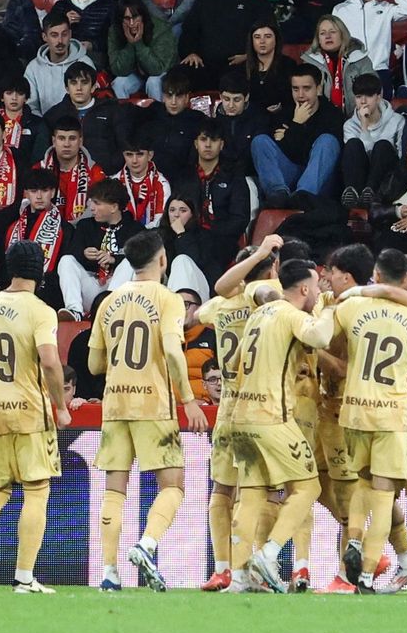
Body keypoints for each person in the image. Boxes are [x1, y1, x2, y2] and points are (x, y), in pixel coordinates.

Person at [88, 231, 207, 591]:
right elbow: (173, 351)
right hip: (153, 402)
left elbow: (94, 364)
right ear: (162, 260)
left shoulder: (109, 301)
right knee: (172, 484)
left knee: (115, 487)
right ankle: (147, 543)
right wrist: (188, 400)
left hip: (115, 403)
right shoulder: (168, 298)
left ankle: (109, 570)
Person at [0, 242, 72, 594]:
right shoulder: (41, 310)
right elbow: (50, 361)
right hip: (29, 410)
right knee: (36, 491)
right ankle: (23, 577)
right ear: (41, 268)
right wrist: (60, 406)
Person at [228, 257, 338, 593]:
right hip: (271, 415)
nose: (318, 291)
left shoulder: (258, 315)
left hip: (241, 415)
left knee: (251, 496)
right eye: (316, 286)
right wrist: (328, 306)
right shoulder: (292, 314)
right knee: (308, 488)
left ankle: (238, 575)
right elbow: (319, 336)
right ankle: (270, 552)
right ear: (304, 289)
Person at [331, 247, 407, 593]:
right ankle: (369, 573)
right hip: (393, 414)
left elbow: (329, 338)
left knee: (361, 482)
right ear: (406, 279)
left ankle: (357, 541)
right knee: (384, 494)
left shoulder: (352, 306)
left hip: (354, 409)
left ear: (374, 274)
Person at [194, 237, 282, 592]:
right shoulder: (269, 292)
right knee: (259, 491)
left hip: (227, 406)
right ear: (273, 269)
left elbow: (200, 311)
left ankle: (221, 568)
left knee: (221, 490)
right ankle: (250, 566)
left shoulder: (220, 305)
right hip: (260, 403)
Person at [172, 0, 274, 91]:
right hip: (205, 66)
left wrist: (249, 56)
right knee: (176, 75)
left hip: (244, 65)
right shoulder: (204, 1)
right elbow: (189, 33)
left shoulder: (257, 1)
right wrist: (191, 53)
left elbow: (271, 35)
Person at [251, 64, 343, 209]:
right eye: (295, 89)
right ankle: (278, 193)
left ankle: (303, 195)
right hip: (291, 174)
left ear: (318, 89)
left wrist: (291, 133)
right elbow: (285, 151)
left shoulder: (332, 115)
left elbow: (323, 156)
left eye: (306, 88)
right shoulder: (285, 113)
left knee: (327, 141)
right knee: (260, 141)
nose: (300, 95)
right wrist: (296, 124)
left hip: (320, 182)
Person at [57, 178, 140, 319]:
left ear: (114, 207)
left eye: (97, 203)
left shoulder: (135, 229)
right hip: (92, 284)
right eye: (91, 202)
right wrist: (83, 254)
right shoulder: (85, 226)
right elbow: (72, 252)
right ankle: (75, 311)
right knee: (66, 260)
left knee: (130, 262)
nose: (91, 208)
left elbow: (143, 261)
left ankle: (111, 310)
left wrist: (114, 259)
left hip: (118, 291)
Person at [0, 167, 76, 301]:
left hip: (47, 292)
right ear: (26, 193)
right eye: (34, 191)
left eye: (45, 190)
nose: (39, 196)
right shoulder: (11, 222)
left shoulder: (65, 229)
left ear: (53, 192)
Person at [332, 0, 407, 98]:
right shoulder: (341, 9)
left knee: (382, 112)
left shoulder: (385, 8)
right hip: (353, 69)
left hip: (379, 70)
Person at [181, 122, 251, 278]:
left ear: (221, 144)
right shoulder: (184, 175)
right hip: (189, 235)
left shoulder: (234, 175)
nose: (208, 145)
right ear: (195, 144)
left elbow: (240, 218)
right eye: (203, 139)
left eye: (213, 140)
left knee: (209, 260)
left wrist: (212, 234)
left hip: (222, 239)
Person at [341, 72, 406, 207]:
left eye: (369, 96)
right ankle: (353, 193)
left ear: (379, 96)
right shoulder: (350, 125)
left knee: (382, 145)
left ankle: (371, 193)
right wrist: (364, 128)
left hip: (384, 178)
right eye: (359, 97)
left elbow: (401, 157)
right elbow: (357, 158)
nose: (363, 102)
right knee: (353, 144)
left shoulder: (397, 120)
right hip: (360, 177)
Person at [44, 61, 122, 170]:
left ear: (93, 87)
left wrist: (110, 171)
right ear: (67, 88)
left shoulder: (112, 111)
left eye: (84, 82)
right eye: (73, 83)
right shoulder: (53, 115)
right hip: (65, 178)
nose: (79, 88)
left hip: (105, 178)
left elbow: (123, 146)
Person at [301, 14, 376, 115]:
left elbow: (373, 90)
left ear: (342, 35)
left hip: (358, 118)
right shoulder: (310, 63)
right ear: (318, 39)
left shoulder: (360, 59)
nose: (328, 36)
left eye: (332, 32)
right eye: (323, 33)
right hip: (322, 120)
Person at [49, 0, 119, 67]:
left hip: (98, 58)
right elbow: (47, 35)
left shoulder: (110, 5)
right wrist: (63, 22)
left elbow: (118, 39)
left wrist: (93, 45)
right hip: (65, 56)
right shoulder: (61, 6)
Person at [24, 11, 94, 117]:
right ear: (44, 37)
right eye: (54, 35)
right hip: (45, 126)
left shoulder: (85, 63)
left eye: (64, 34)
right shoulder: (33, 68)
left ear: (70, 34)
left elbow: (93, 100)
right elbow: (30, 105)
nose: (60, 41)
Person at [37, 114, 106, 221]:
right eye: (61, 138)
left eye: (72, 138)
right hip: (45, 231)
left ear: (80, 141)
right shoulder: (38, 169)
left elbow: (99, 209)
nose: (67, 144)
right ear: (54, 141)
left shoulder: (94, 171)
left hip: (82, 231)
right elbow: (29, 206)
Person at [109, 0, 175, 100]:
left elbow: (157, 69)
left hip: (163, 75)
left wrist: (139, 43)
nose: (131, 24)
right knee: (119, 83)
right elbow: (118, 70)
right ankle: (125, 115)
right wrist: (130, 44)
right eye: (126, 18)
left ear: (142, 16)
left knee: (152, 82)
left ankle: (157, 115)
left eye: (135, 17)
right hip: (136, 75)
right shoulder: (115, 31)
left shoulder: (160, 29)